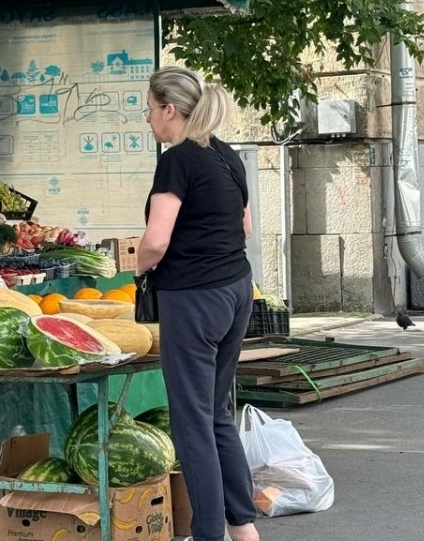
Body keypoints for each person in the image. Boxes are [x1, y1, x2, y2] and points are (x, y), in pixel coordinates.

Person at [135, 66, 259, 541]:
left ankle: (209, 534)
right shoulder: (227, 156)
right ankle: (243, 529)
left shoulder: (177, 161)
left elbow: (157, 239)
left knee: (192, 423)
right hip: (235, 291)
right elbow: (244, 228)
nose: (148, 120)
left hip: (193, 298)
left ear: (170, 110)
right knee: (215, 413)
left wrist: (140, 271)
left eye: (149, 110)